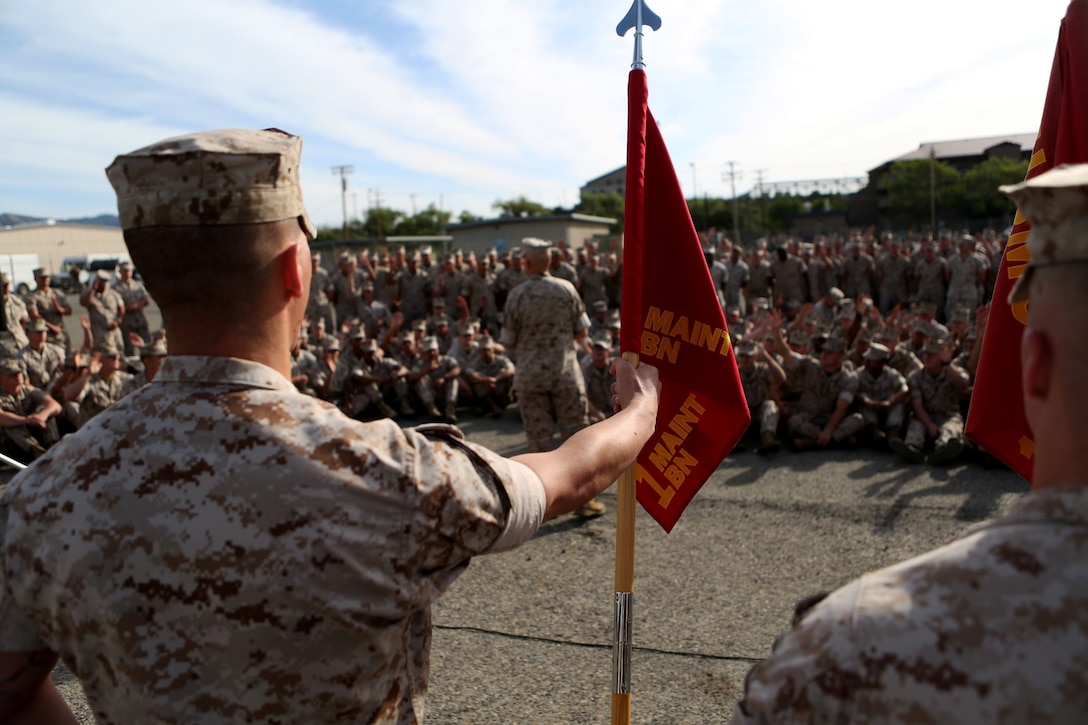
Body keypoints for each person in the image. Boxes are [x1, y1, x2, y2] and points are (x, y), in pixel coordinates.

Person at [0, 129, 661, 724]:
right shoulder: (386, 471)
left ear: (149, 284)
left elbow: (12, 690)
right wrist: (642, 410)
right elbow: (568, 477)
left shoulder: (41, 494)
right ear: (296, 270)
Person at [730, 163, 1088, 722]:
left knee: (917, 426)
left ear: (1032, 366)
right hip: (874, 414)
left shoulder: (854, 646)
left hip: (890, 418)